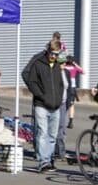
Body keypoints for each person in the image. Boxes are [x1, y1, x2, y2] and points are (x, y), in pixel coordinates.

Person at [21, 40, 65, 173]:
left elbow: (60, 84)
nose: (54, 57)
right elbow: (31, 81)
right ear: (48, 51)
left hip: (55, 106)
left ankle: (49, 159)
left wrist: (59, 99)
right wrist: (41, 95)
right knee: (42, 132)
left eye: (57, 54)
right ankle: (43, 161)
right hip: (41, 104)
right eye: (52, 54)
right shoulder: (38, 63)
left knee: (52, 135)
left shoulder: (57, 66)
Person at [62, 54, 84, 128]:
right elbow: (83, 71)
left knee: (64, 103)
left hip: (65, 87)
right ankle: (70, 122)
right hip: (72, 88)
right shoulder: (74, 68)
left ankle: (62, 120)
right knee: (71, 105)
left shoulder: (64, 68)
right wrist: (75, 64)